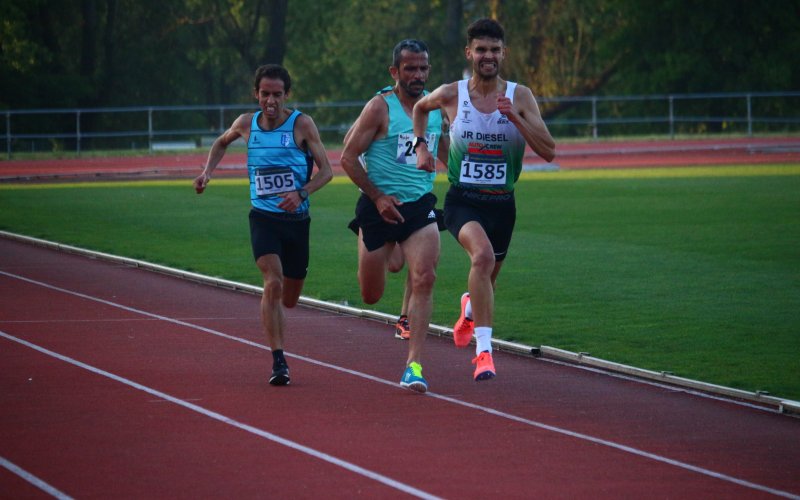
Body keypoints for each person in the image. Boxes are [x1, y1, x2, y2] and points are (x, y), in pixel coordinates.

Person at [412, 18, 556, 382]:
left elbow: (549, 151)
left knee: (487, 279)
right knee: (483, 257)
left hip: (503, 205)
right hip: (463, 200)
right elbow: (419, 109)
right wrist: (422, 145)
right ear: (469, 53)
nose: (487, 56)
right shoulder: (451, 94)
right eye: (481, 49)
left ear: (503, 53)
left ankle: (470, 309)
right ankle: (484, 353)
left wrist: (516, 118)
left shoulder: (520, 96)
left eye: (494, 50)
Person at [193, 64, 333, 386]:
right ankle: (279, 361)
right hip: (263, 218)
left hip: (297, 220)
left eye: (277, 94)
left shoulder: (302, 125)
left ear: (287, 95)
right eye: (265, 94)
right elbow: (220, 143)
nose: (271, 101)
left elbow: (326, 172)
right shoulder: (246, 124)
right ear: (256, 94)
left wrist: (301, 193)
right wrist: (207, 173)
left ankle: (279, 323)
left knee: (290, 297)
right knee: (273, 281)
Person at [340, 39, 448, 393]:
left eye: (423, 68)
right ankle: (390, 245)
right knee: (371, 294)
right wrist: (377, 197)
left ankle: (413, 365)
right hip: (378, 207)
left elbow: (445, 149)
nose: (418, 75)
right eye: (410, 69)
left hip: (419, 205)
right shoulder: (379, 108)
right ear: (394, 72)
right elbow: (347, 157)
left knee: (426, 276)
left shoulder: (435, 105)